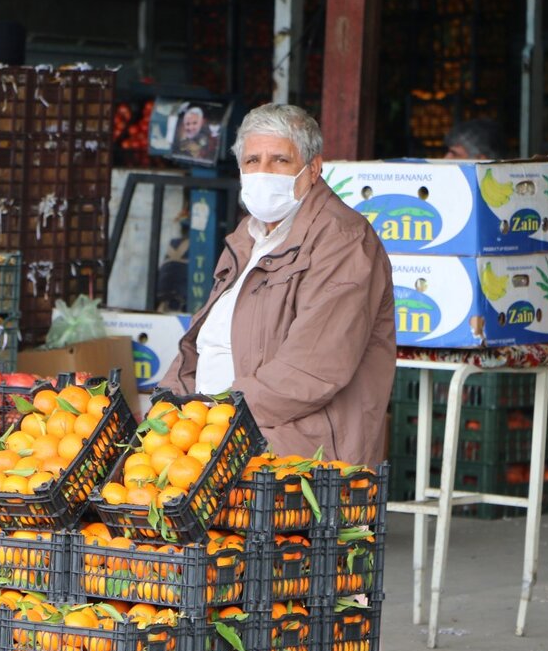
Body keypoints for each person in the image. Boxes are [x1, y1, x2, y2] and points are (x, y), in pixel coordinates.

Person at [162, 103, 396, 466]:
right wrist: (169, 407)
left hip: (290, 454)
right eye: (252, 161)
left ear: (313, 169)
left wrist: (217, 415)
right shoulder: (248, 236)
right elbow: (205, 336)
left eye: (280, 161)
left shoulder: (343, 239)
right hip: (210, 441)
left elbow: (313, 367)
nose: (263, 172)